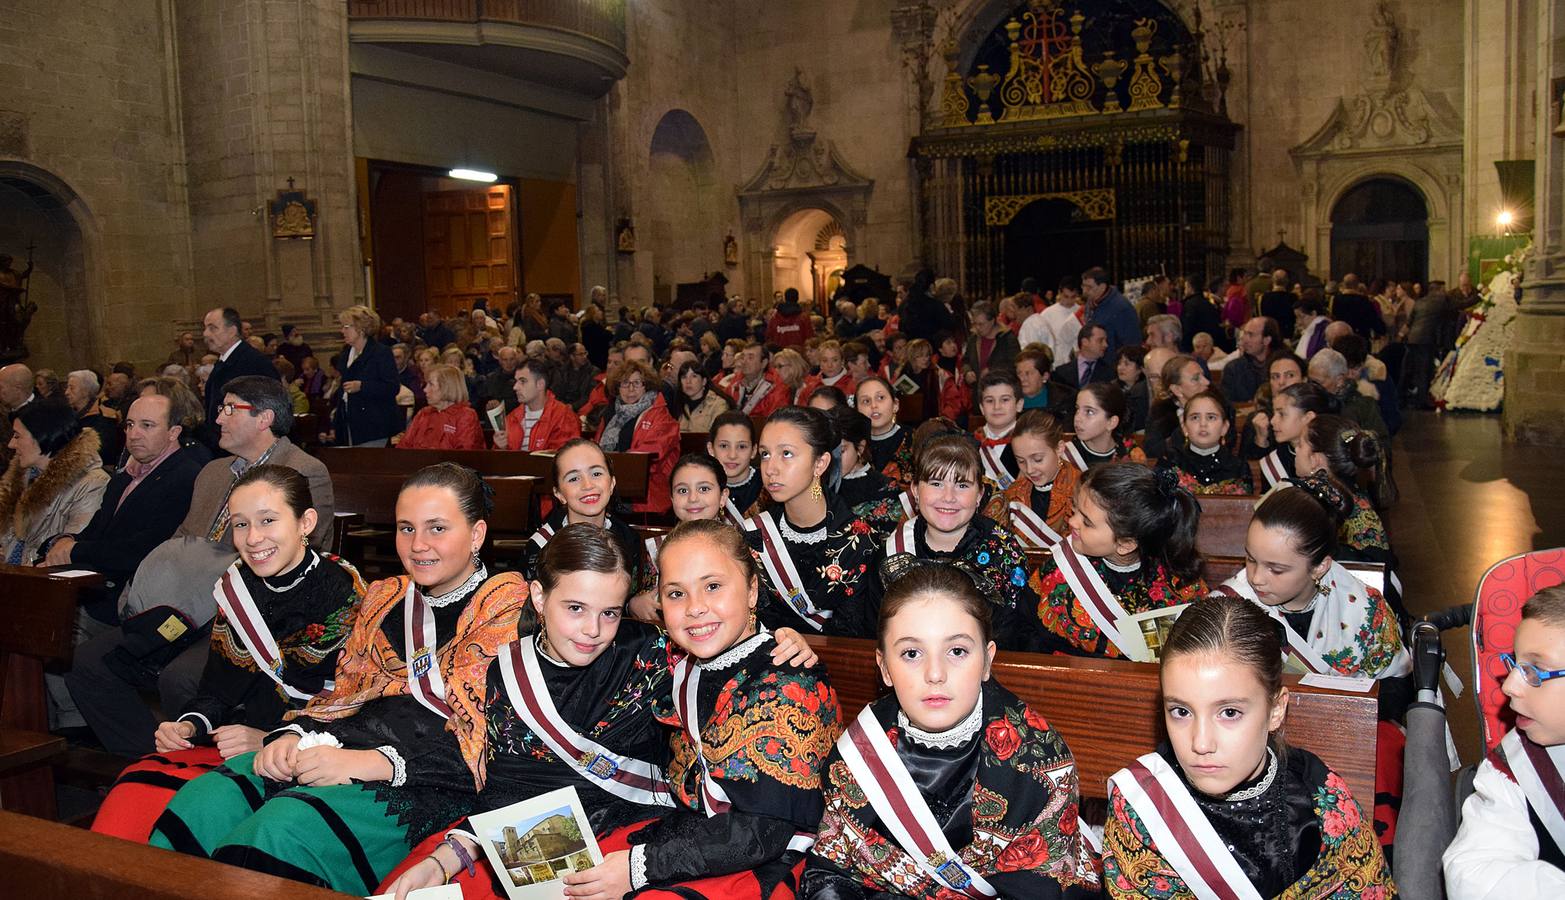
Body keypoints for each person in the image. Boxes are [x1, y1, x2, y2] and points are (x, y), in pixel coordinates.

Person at [377, 522, 823, 898]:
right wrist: (452, 854)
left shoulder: (653, 654)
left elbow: (737, 654)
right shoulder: (508, 672)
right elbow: (508, 788)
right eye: (574, 608)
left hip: (655, 833)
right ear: (538, 597)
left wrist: (779, 637)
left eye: (610, 612)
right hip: (553, 831)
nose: (592, 630)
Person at [148, 464, 529, 894]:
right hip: (341, 748)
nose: (418, 545)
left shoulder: (506, 606)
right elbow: (343, 693)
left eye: (437, 528)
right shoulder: (386, 596)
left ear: (476, 534)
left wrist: (367, 763)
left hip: (430, 779)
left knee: (282, 829)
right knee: (206, 801)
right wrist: (293, 734)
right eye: (406, 528)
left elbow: (495, 739)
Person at [89, 466, 366, 841]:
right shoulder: (239, 586)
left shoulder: (343, 590)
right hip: (241, 742)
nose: (253, 538)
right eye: (240, 524)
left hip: (312, 755)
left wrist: (270, 738)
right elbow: (218, 689)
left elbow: (348, 705)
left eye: (268, 520)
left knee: (200, 817)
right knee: (133, 796)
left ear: (306, 522)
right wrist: (187, 725)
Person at [67, 376, 336, 754]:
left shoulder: (303, 470)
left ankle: (209, 771)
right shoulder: (213, 472)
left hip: (250, 611)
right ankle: (146, 760)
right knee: (89, 662)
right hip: (185, 604)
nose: (218, 419)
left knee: (183, 679)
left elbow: (306, 553)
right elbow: (181, 541)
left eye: (229, 408)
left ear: (264, 418)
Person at [801, 561, 1100, 898]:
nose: (935, 673)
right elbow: (831, 874)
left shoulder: (1041, 762)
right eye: (912, 653)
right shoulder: (856, 756)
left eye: (957, 651)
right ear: (884, 668)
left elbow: (1049, 886)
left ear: (987, 661)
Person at [1102, 594, 1393, 897]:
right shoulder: (1143, 807)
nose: (1200, 743)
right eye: (1181, 711)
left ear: (1276, 710)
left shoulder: (1321, 802)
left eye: (1229, 713)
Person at [1217, 476, 1409, 690]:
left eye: (1276, 569)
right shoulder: (1228, 604)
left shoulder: (1364, 610)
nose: (1256, 578)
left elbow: (1396, 687)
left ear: (1320, 567)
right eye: (1251, 559)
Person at [1443, 584, 1565, 895]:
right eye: (1515, 664)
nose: (1509, 685)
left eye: (1536, 670)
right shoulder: (1516, 770)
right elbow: (1475, 875)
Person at [1028, 462, 1206, 658]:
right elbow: (1029, 643)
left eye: (1087, 522)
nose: (1072, 521)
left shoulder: (1180, 586)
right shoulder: (1055, 573)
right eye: (1075, 509)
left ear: (1126, 544)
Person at [882, 433, 1039, 649]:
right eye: (936, 483)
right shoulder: (893, 552)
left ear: (979, 495)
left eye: (962, 485)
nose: (948, 497)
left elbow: (1019, 637)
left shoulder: (1004, 552)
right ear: (916, 491)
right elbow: (879, 634)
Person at [744, 406, 883, 638]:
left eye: (786, 453)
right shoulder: (754, 534)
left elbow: (858, 637)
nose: (771, 468)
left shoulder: (860, 541)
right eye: (765, 454)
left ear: (820, 463)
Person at [517, 439, 646, 593]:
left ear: (611, 483)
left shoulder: (628, 539)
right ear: (559, 494)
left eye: (596, 473)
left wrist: (632, 604)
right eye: (574, 478)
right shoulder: (541, 545)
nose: (587, 485)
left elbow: (630, 594)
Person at [1, 401, 110, 567]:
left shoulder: (92, 484)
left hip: (45, 581)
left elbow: (69, 550)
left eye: (17, 436)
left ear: (42, 435)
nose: (11, 444)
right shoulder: (23, 476)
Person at [1298, 415, 1394, 564]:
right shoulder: (1357, 497)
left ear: (1314, 460)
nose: (1296, 450)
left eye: (1300, 445)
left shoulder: (1321, 507)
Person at [595, 359, 679, 514]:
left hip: (647, 493)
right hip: (611, 488)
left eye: (637, 383)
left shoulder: (660, 415)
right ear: (618, 387)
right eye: (625, 383)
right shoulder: (610, 414)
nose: (630, 389)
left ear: (646, 385)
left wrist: (615, 468)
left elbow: (654, 453)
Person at [200, 307, 279, 449]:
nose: (205, 334)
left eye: (213, 328)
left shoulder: (253, 362)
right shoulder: (223, 361)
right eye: (205, 328)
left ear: (232, 331)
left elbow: (270, 408)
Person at [1000, 408, 1080, 549]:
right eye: (1021, 461)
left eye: (1037, 459)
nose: (1029, 470)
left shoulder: (1082, 490)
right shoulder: (1013, 493)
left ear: (1059, 448)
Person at [1156, 390, 1253, 495]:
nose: (1203, 424)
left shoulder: (1238, 467)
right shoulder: (1170, 462)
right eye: (1195, 417)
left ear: (1224, 427)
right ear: (1184, 428)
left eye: (1211, 417)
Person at [826, 404, 903, 535]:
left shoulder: (885, 488)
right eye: (827, 450)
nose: (834, 458)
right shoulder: (818, 483)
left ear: (860, 447)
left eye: (841, 450)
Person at [332, 304, 402, 447]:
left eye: (346, 327)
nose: (342, 331)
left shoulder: (380, 353)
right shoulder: (345, 354)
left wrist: (362, 386)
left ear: (361, 328)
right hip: (349, 422)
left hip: (373, 424)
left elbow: (392, 387)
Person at [1252, 381, 1335, 492]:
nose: (1272, 421)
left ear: (1308, 417)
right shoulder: (1273, 463)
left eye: (1282, 414)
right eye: (1273, 413)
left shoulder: (1334, 457)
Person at [497, 357, 578, 452]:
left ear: (540, 384)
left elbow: (563, 459)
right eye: (516, 381)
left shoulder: (563, 416)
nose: (515, 387)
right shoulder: (512, 418)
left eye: (522, 381)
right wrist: (502, 448)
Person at [1061, 381, 1146, 471]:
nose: (1077, 418)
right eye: (1077, 409)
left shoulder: (1132, 455)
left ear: (1111, 422)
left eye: (1089, 412)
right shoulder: (1065, 455)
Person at [1308, 348, 1390, 441]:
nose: (1312, 387)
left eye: (1318, 383)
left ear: (1339, 381)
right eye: (1310, 381)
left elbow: (1381, 444)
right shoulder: (1308, 401)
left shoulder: (1364, 408)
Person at [398, 364, 484, 451]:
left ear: (446, 387)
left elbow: (464, 455)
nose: (425, 389)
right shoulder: (423, 413)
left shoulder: (466, 416)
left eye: (431, 384)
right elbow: (403, 447)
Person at [1143, 353, 1210, 459]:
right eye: (1196, 379)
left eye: (1203, 375)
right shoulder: (1161, 414)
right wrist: (1179, 435)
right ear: (1177, 389)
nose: (1207, 382)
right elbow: (1152, 453)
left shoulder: (1219, 408)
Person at [1020, 274, 1085, 368]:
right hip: (1056, 361)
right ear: (1059, 292)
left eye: (1073, 297)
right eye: (1066, 296)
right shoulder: (1047, 313)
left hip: (1077, 359)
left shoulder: (1081, 312)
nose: (1069, 301)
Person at [856, 375, 912, 483]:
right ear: (857, 410)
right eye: (866, 401)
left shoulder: (915, 440)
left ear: (895, 405)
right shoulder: (853, 446)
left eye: (880, 398)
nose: (873, 405)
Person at [974, 369, 1023, 489]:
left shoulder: (1030, 443)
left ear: (1019, 404)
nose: (996, 406)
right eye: (990, 401)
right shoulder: (971, 443)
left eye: (1005, 400)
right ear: (981, 408)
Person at [64, 368, 124, 466]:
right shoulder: (70, 415)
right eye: (67, 387)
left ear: (85, 391)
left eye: (71, 388)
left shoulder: (104, 419)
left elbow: (102, 454)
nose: (66, 392)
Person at [708, 411, 762, 515]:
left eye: (741, 446)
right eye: (724, 446)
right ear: (711, 449)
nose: (732, 455)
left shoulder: (767, 486)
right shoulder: (701, 486)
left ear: (754, 451)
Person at [1219, 316, 1280, 404]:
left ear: (1267, 340)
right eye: (1245, 334)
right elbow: (1226, 404)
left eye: (1251, 335)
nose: (1244, 340)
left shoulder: (1284, 365)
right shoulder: (1233, 369)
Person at [1081, 267, 1140, 357]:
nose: (1084, 291)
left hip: (1113, 364)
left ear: (1102, 286)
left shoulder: (1122, 308)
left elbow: (1131, 343)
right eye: (1083, 286)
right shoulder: (1091, 302)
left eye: (1089, 287)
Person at [963, 300, 1020, 389]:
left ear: (992, 321)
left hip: (1001, 389)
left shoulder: (1007, 338)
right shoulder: (974, 338)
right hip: (978, 392)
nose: (977, 328)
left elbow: (1015, 364)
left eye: (981, 324)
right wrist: (967, 372)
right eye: (975, 324)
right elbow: (966, 360)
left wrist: (993, 370)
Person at [1051, 323, 1113, 396]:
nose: (1105, 345)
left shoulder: (1110, 373)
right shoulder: (1061, 373)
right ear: (1085, 342)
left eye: (1106, 340)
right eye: (1100, 340)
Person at [671, 359, 733, 433]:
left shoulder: (718, 405)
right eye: (684, 377)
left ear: (704, 381)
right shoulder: (679, 404)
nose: (688, 381)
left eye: (694, 376)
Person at [1114, 345, 1150, 433]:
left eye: (1127, 364)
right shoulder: (1112, 389)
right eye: (1119, 363)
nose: (1121, 368)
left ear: (1140, 369)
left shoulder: (1147, 391)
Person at [1258, 268, 1297, 340]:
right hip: (1288, 335)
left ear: (1272, 280)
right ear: (1287, 281)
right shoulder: (1293, 298)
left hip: (1270, 336)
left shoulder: (1264, 298)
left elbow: (1262, 317)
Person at [1016, 345, 1055, 411]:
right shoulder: (1009, 399)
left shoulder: (1062, 401)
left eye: (1028, 373)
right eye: (1019, 373)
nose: (1022, 379)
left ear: (1045, 376)